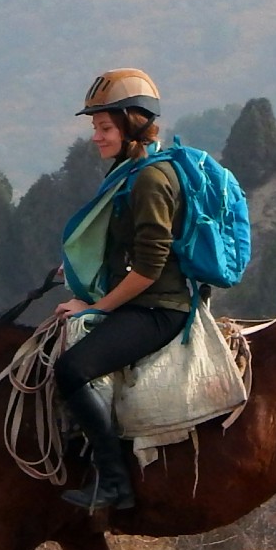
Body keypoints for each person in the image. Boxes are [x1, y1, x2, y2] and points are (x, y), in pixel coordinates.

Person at [52, 69, 195, 511]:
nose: (96, 137)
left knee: (72, 371)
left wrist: (91, 309)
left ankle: (114, 485)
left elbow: (149, 269)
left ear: (134, 124)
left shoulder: (152, 179)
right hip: (140, 302)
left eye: (105, 127)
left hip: (157, 309)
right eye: (96, 128)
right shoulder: (131, 172)